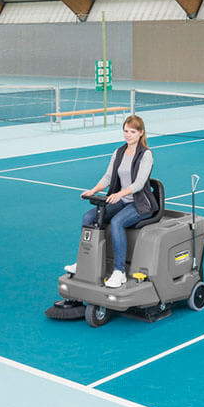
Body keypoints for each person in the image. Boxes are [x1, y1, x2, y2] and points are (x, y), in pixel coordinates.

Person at [65, 114, 156, 288]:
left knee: (117, 222)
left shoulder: (146, 155)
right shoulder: (119, 152)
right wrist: (93, 190)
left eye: (132, 131)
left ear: (141, 133)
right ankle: (85, 263)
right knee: (88, 217)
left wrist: (120, 194)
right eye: (125, 131)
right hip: (121, 200)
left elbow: (139, 184)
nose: (127, 135)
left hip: (140, 203)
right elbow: (108, 177)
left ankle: (119, 272)